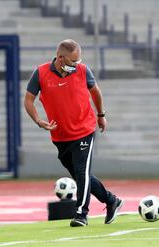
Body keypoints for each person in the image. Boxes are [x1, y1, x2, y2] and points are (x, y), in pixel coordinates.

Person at [24, 39, 124, 227]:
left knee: (81, 172)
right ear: (60, 58)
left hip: (84, 130)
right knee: (81, 175)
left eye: (78, 60)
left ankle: (81, 214)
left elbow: (95, 92)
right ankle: (112, 201)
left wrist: (101, 114)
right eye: (73, 61)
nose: (76, 65)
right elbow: (29, 100)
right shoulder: (41, 73)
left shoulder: (83, 71)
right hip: (60, 136)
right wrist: (38, 120)